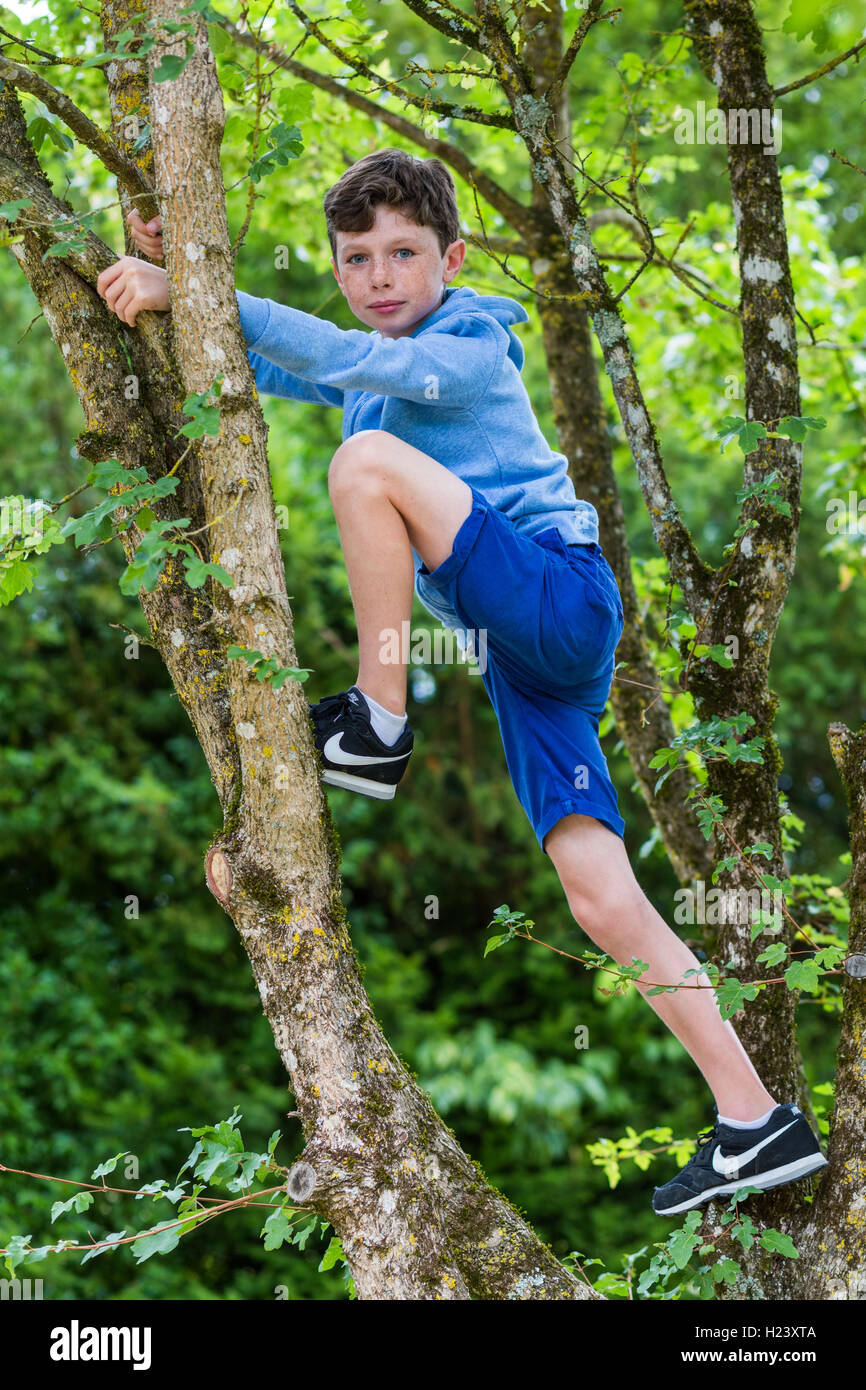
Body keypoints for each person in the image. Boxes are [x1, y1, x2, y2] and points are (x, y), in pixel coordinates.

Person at [96, 147, 828, 1215]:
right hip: (526, 662)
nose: (380, 275)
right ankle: (751, 1119)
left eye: (403, 253)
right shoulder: (374, 362)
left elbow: (360, 362)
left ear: (453, 256)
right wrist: (182, 289)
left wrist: (223, 293)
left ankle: (378, 713)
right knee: (597, 896)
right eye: (356, 259)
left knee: (361, 468)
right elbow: (283, 361)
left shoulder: (474, 339)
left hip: (559, 598)